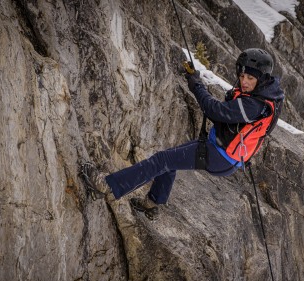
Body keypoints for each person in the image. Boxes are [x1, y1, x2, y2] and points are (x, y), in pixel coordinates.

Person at [81, 48, 285, 220]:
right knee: (169, 160)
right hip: (225, 152)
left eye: (250, 77)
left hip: (219, 155)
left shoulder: (254, 105)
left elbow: (214, 111)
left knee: (162, 160)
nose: (244, 82)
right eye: (241, 76)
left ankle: (107, 186)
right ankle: (153, 203)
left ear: (262, 78)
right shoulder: (266, 97)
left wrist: (196, 83)